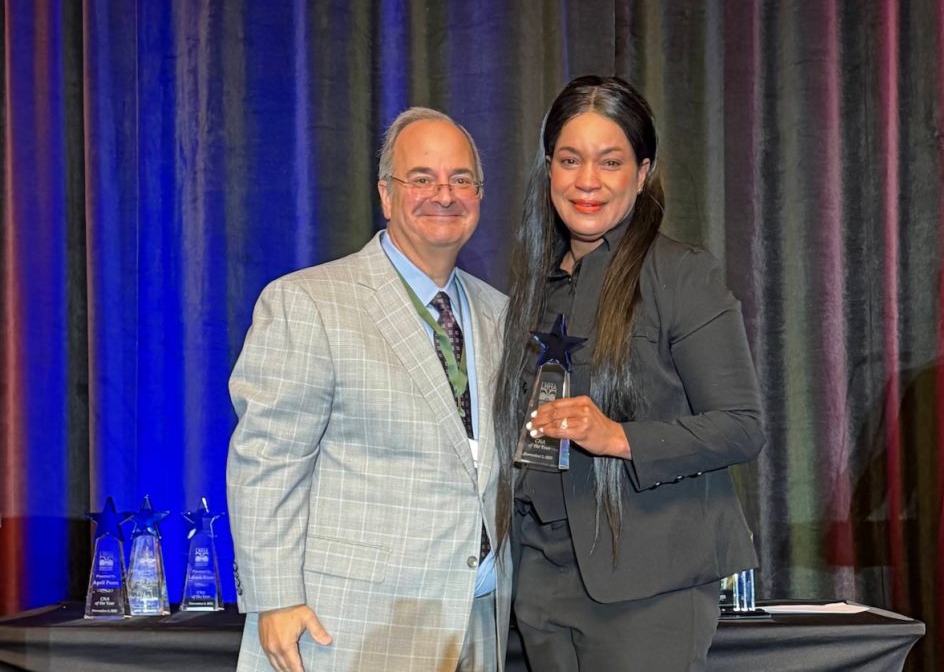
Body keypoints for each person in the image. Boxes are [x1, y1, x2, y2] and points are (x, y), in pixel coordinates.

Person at [495, 76, 765, 671]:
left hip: (649, 590)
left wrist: (616, 436)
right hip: (539, 584)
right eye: (570, 160)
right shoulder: (532, 287)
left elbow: (742, 427)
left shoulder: (682, 275)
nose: (586, 181)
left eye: (610, 161)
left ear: (642, 173)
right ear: (548, 170)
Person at [227, 107, 510, 672]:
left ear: (479, 195)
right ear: (386, 194)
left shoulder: (498, 313)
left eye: (460, 179)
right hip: (347, 623)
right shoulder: (309, 302)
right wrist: (274, 597)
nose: (444, 194)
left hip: (476, 620)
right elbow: (267, 459)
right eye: (422, 178)